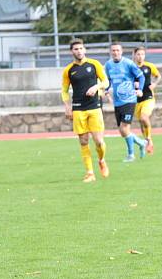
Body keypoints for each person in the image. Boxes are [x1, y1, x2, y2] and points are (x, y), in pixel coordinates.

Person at [61, 39, 110, 183]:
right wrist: (67, 106)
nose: (79, 51)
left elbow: (106, 82)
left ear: (85, 50)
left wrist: (96, 87)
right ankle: (90, 173)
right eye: (76, 49)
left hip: (94, 106)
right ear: (72, 51)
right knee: (83, 141)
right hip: (78, 108)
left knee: (99, 142)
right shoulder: (68, 70)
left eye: (81, 48)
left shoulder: (94, 64)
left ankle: (101, 160)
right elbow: (64, 90)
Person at [104, 42, 147, 162]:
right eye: (113, 50)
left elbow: (141, 76)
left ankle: (131, 155)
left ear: (121, 51)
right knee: (123, 131)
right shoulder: (108, 65)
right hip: (117, 102)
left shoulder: (128, 63)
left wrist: (140, 90)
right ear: (110, 52)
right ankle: (141, 143)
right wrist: (106, 90)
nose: (115, 52)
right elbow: (108, 80)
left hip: (129, 100)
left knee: (124, 128)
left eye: (118, 50)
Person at [132, 46, 161, 154]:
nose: (140, 56)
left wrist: (154, 84)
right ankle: (148, 141)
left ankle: (148, 139)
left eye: (142, 54)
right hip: (136, 99)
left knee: (144, 117)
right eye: (138, 54)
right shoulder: (131, 67)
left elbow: (158, 76)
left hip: (148, 97)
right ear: (134, 55)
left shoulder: (149, 66)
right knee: (141, 122)